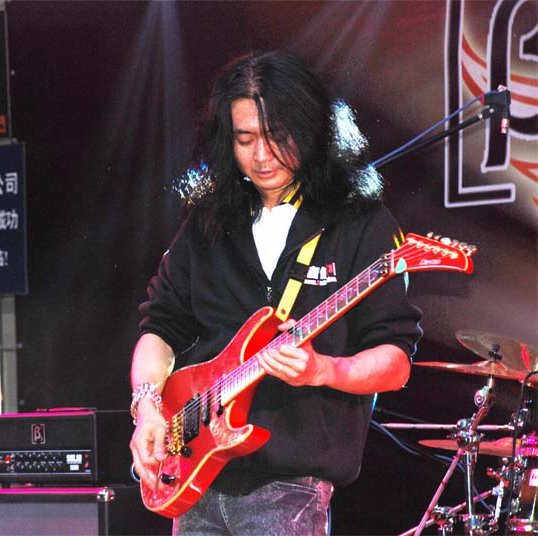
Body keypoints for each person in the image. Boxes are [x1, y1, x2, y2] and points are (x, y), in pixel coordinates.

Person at [128, 50, 423, 535]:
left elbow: (395, 361)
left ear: (310, 131)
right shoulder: (207, 224)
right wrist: (147, 406)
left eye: (276, 137)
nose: (261, 156)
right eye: (245, 139)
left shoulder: (359, 223)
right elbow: (159, 328)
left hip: (291, 488)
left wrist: (323, 370)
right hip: (196, 479)